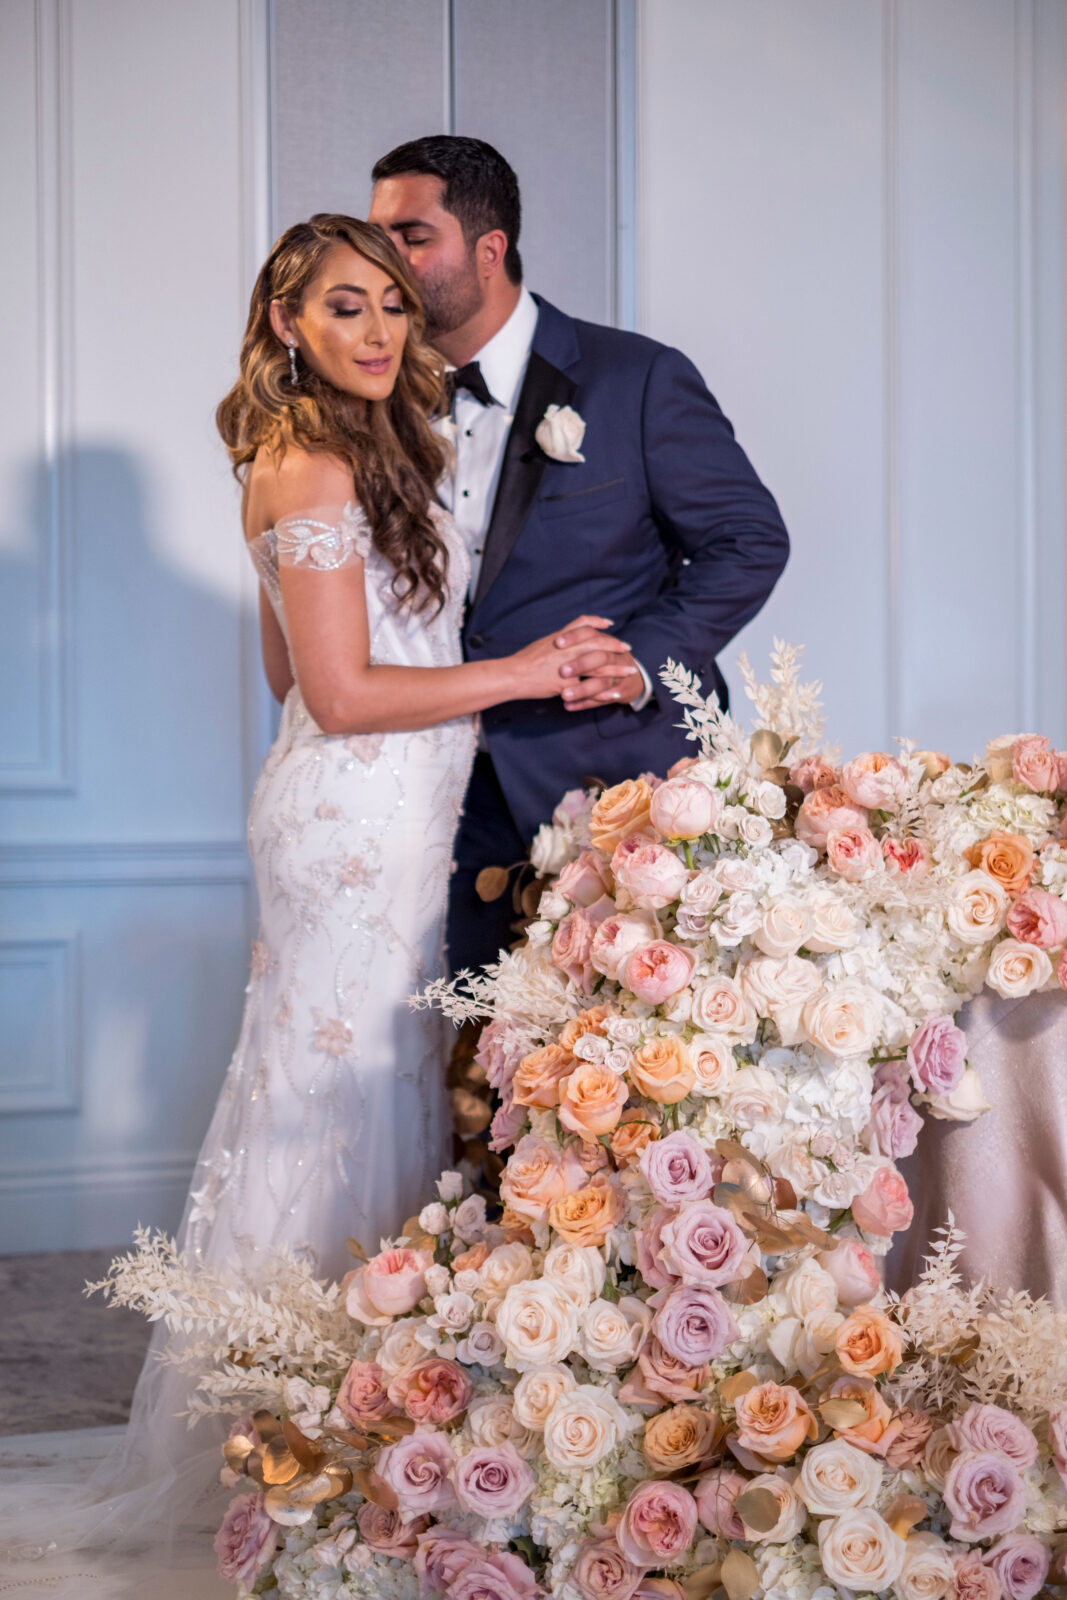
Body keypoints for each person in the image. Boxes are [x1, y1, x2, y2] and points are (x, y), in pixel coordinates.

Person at [0, 214, 633, 1581]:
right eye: (343, 308)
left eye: (393, 309)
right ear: (285, 320)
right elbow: (339, 698)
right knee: (328, 1104)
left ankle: (358, 1435)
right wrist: (516, 674)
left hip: (381, 810)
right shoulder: (300, 464)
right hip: (352, 819)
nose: (376, 333)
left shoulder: (370, 452)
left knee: (377, 1090)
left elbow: (296, 680)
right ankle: (284, 1443)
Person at [368, 136, 791, 976]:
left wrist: (643, 657)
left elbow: (748, 540)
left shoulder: (634, 379)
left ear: (488, 250)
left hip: (616, 793)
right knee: (469, 1071)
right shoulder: (376, 396)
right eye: (377, 236)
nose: (388, 258)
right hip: (432, 793)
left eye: (412, 236)